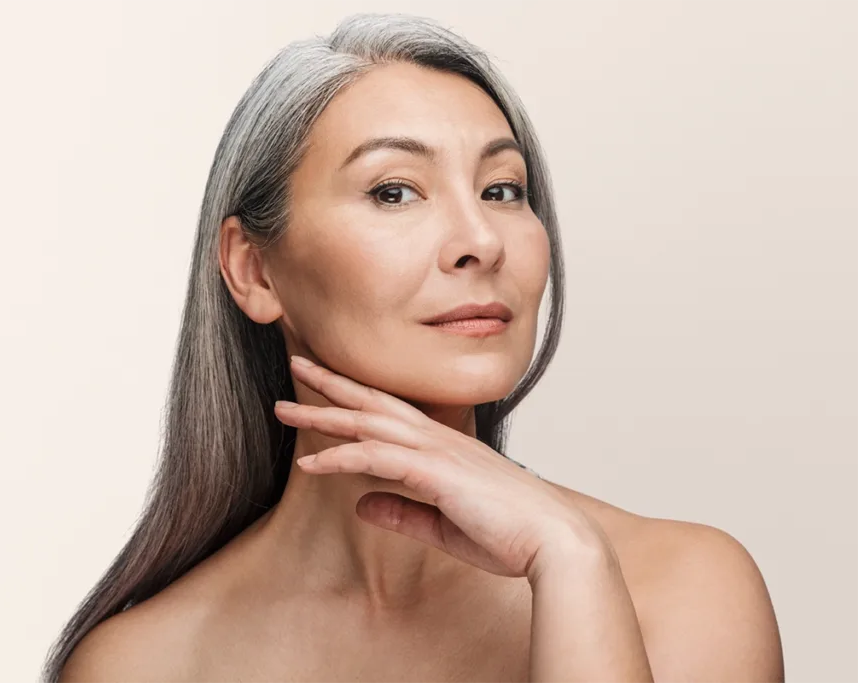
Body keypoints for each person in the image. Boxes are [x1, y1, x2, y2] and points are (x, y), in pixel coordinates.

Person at [44, 12, 784, 683]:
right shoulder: (141, 664)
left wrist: (570, 560)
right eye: (394, 191)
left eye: (502, 190)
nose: (479, 242)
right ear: (254, 268)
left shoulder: (686, 591)